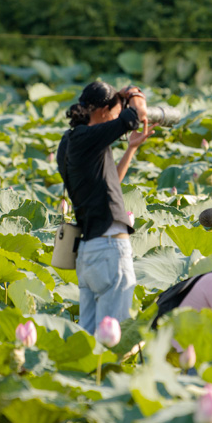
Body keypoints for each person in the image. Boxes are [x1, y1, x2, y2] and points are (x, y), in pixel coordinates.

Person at [57, 81, 157, 334]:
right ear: (103, 110)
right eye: (114, 111)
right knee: (115, 335)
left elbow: (111, 184)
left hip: (89, 252)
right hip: (110, 249)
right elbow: (136, 116)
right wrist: (134, 94)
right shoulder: (89, 135)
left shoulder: (69, 142)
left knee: (91, 339)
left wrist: (131, 148)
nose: (116, 118)